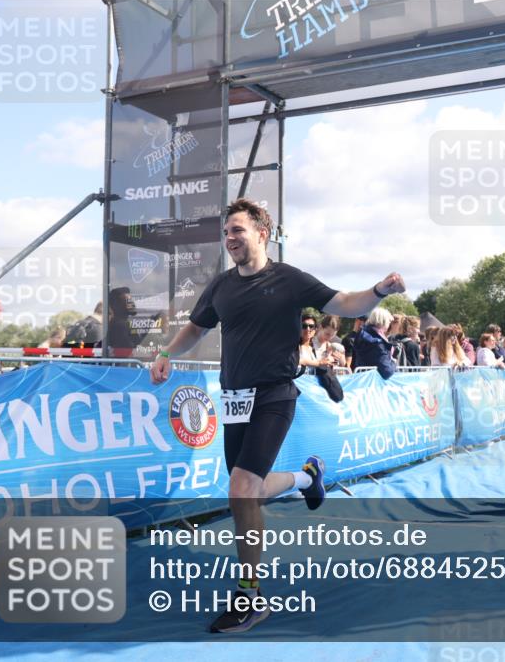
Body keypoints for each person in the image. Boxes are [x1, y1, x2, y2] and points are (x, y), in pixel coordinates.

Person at [149, 198, 405, 634]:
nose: (230, 239)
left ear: (261, 234)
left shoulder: (288, 279)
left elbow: (344, 302)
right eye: (226, 232)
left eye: (238, 230)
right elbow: (196, 327)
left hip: (275, 394)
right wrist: (166, 353)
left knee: (241, 488)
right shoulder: (221, 286)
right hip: (235, 397)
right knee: (248, 490)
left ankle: (250, 597)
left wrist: (378, 291)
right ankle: (306, 477)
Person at [352, 307, 397, 379]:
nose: (389, 324)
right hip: (373, 381)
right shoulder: (378, 343)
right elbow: (387, 372)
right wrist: (394, 362)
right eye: (389, 321)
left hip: (361, 378)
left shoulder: (362, 334)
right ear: (383, 321)